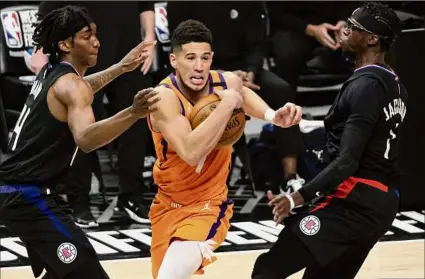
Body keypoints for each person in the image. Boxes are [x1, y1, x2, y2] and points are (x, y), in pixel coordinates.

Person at [0, 5, 158, 279]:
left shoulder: (52, 72)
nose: (97, 41)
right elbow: (86, 140)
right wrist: (133, 112)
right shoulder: (71, 85)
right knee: (86, 270)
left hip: (22, 192)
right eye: (87, 36)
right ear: (65, 43)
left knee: (65, 272)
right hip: (27, 197)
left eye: (95, 33)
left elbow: (83, 88)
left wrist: (120, 68)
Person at [251, 2, 406, 279]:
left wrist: (297, 197)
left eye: (354, 27)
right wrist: (304, 123)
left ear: (372, 39)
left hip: (352, 202)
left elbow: (347, 160)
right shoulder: (393, 83)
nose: (344, 30)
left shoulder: (364, 86)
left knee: (268, 270)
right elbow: (357, 136)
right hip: (380, 203)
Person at [147, 19, 302, 279]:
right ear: (173, 60)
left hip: (208, 204)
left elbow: (239, 89)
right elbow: (191, 151)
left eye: (205, 58)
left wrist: (273, 115)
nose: (199, 67)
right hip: (167, 204)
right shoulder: (164, 98)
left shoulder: (225, 82)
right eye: (190, 58)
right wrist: (226, 105)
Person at [29, 1, 157, 227]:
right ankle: (79, 201)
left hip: (127, 49)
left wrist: (149, 37)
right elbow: (48, 9)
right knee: (83, 128)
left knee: (138, 118)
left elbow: (145, 4)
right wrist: (40, 51)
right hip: (84, 53)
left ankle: (131, 197)